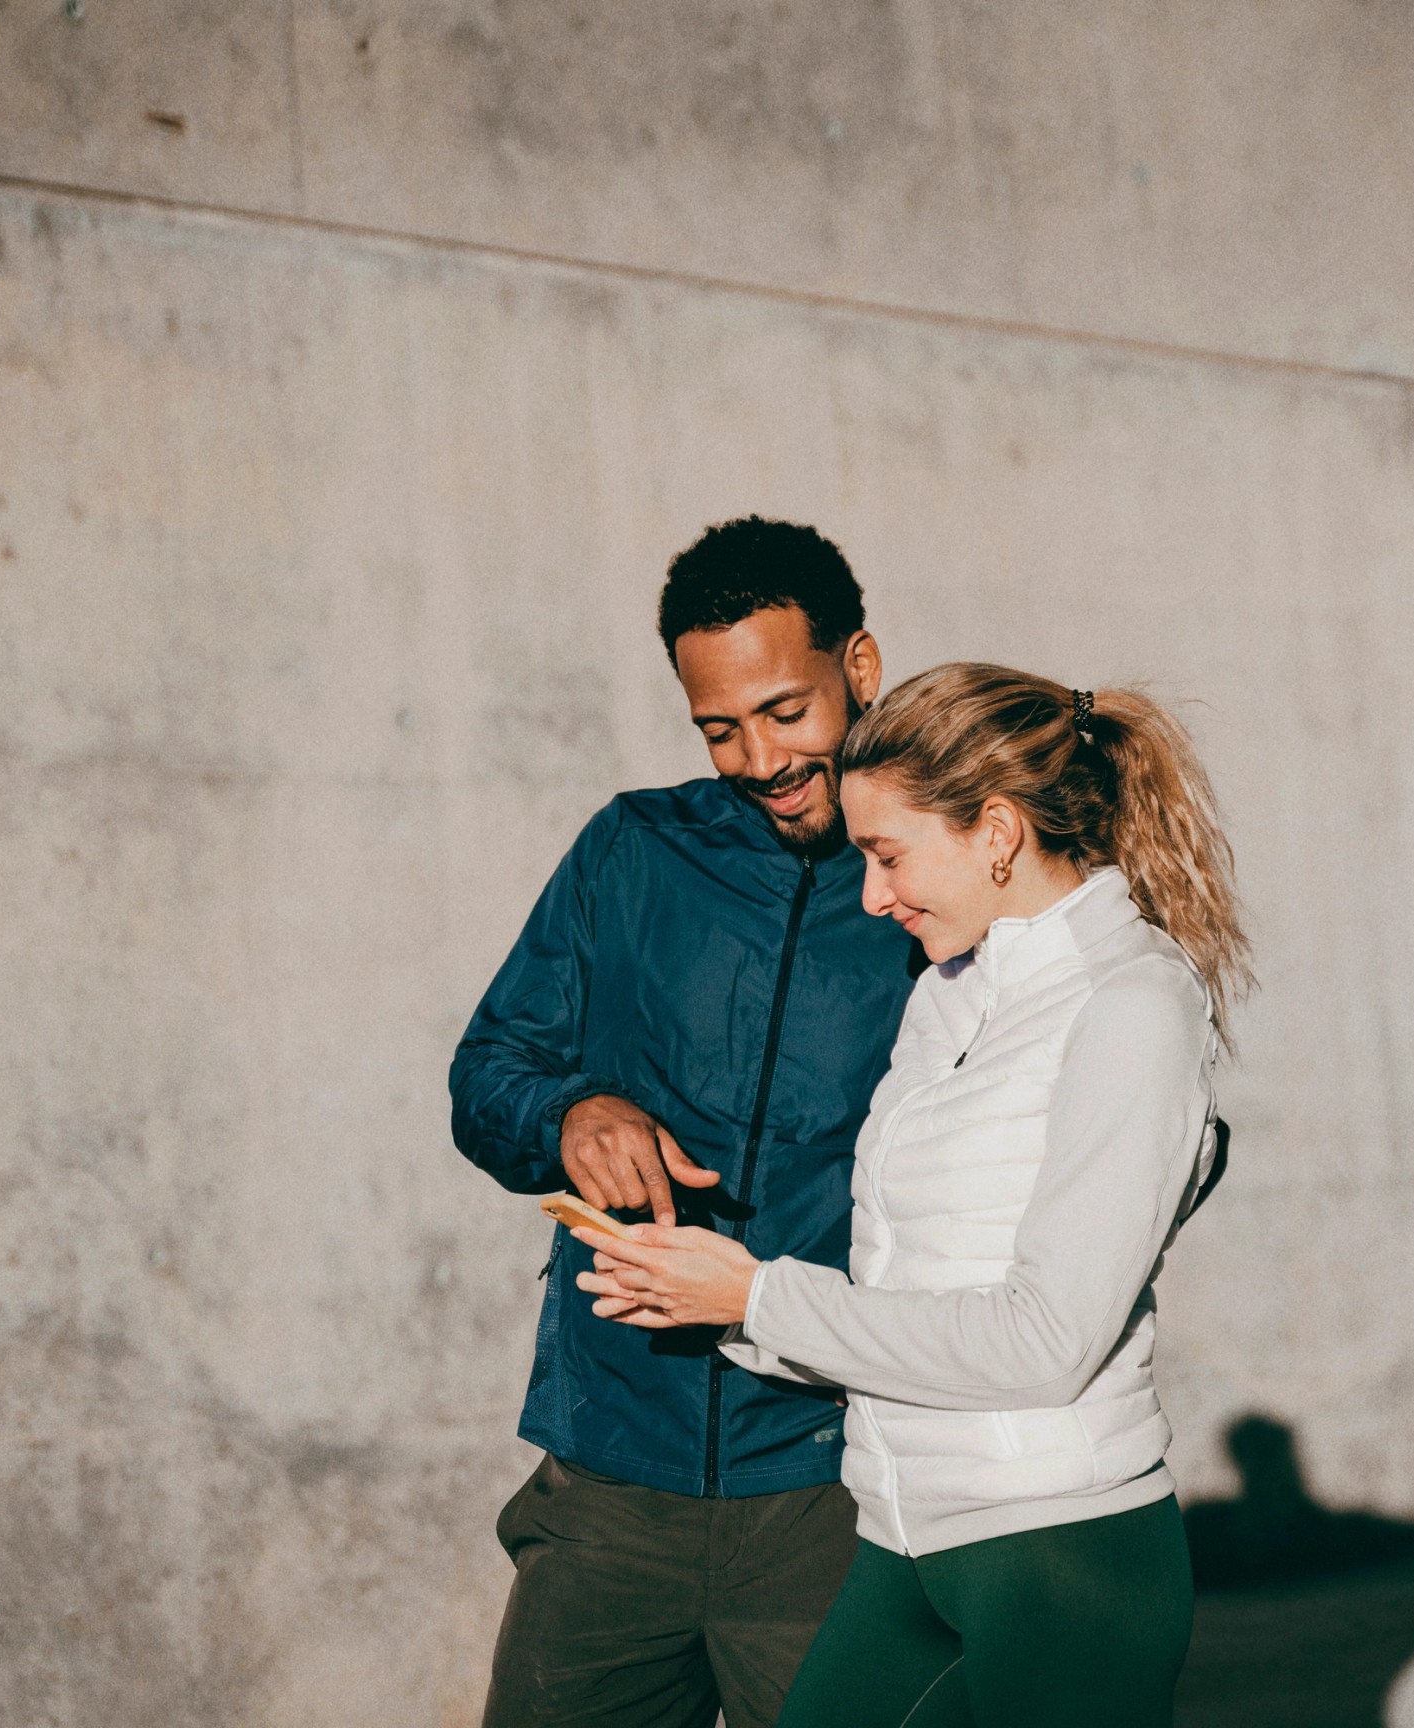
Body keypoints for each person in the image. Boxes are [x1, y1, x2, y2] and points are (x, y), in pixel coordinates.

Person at [576, 664, 1254, 1728]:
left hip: (1058, 1555)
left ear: (995, 830)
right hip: (902, 1535)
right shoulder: (947, 995)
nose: (872, 896)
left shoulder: (1131, 1004)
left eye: (888, 856)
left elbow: (1046, 1341)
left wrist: (758, 1300)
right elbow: (913, 1281)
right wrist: (709, 1303)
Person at [449, 517, 920, 1728]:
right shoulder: (630, 849)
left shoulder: (938, 877)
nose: (759, 757)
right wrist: (568, 1109)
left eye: (785, 711)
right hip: (611, 1474)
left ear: (858, 668)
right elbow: (489, 1068)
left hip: (836, 1479)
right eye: (719, 727)